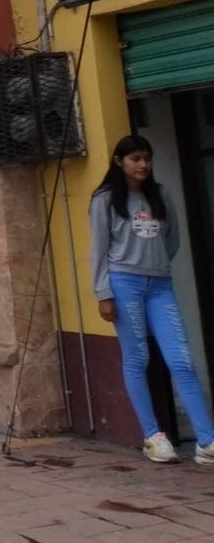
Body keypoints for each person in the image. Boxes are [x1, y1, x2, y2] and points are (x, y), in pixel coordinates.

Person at [90, 134, 214, 465]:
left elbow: (172, 239)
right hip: (122, 283)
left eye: (147, 158)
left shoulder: (160, 194)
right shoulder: (104, 199)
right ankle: (153, 436)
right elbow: (98, 250)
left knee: (181, 359)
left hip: (160, 285)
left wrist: (155, 264)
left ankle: (207, 440)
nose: (143, 164)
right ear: (119, 162)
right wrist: (103, 293)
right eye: (135, 159)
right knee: (138, 358)